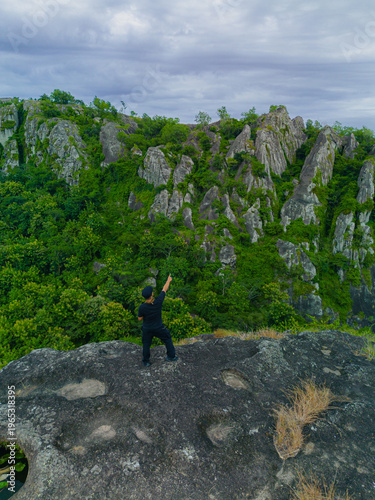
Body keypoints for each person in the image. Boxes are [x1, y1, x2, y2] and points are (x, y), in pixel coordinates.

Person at [138, 274, 178, 367]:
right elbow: (164, 289)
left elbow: (139, 318)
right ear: (152, 294)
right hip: (158, 327)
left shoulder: (142, 307)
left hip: (147, 328)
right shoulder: (158, 302)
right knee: (167, 338)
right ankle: (171, 356)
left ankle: (146, 361)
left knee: (146, 344)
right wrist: (168, 280)